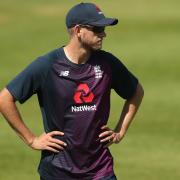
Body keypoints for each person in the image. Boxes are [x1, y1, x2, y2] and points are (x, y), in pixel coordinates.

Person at [0, 2, 144, 180]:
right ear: (78, 31)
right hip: (58, 171)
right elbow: (4, 99)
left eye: (103, 29)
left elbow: (136, 92)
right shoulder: (47, 65)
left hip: (100, 171)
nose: (103, 34)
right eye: (97, 29)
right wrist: (31, 140)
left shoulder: (107, 63)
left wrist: (120, 131)